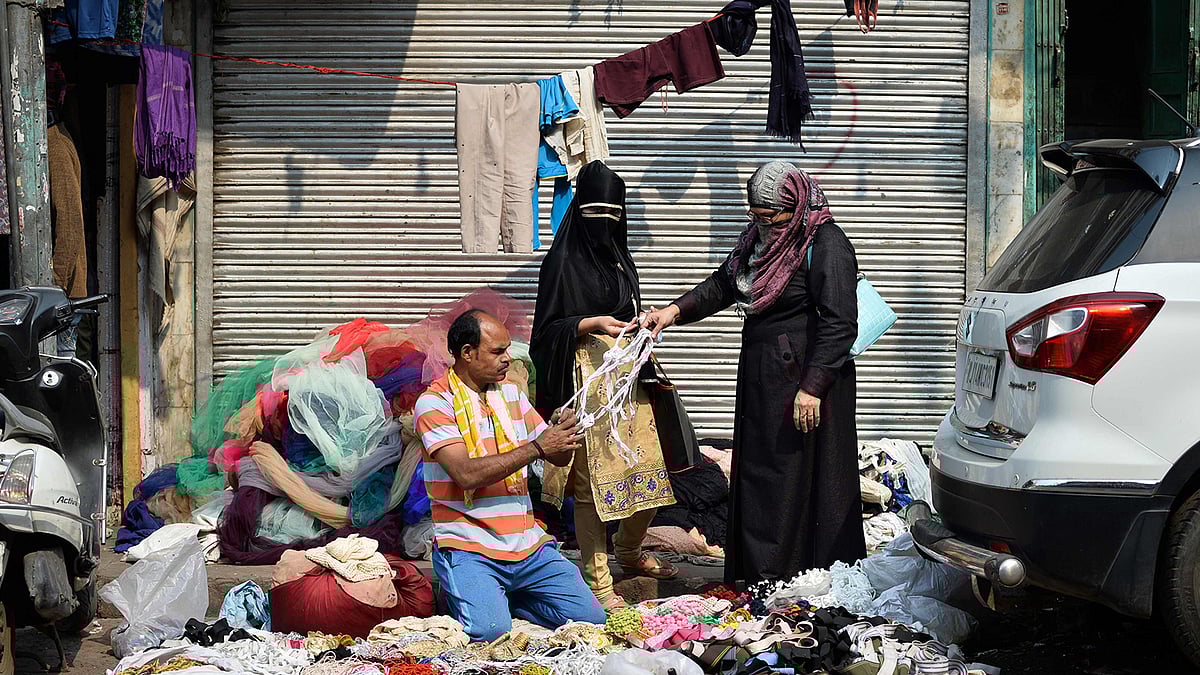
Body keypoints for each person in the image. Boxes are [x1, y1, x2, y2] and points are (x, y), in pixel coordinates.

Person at [641, 161, 866, 586]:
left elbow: (839, 322)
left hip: (807, 387)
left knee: (795, 480)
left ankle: (800, 578)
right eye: (756, 216)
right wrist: (671, 312)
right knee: (763, 477)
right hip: (766, 382)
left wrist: (813, 387)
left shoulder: (827, 243)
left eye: (771, 217)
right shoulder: (756, 242)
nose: (763, 225)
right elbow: (722, 285)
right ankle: (760, 576)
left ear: (795, 208)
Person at [530, 161, 679, 611]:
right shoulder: (561, 261)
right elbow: (544, 332)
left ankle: (630, 552)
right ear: (580, 209)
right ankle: (599, 582)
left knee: (651, 473)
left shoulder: (619, 254)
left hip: (629, 380)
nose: (604, 221)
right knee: (591, 485)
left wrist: (639, 328)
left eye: (613, 212)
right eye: (595, 210)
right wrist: (589, 323)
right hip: (584, 382)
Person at [414, 309, 607, 641]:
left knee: (591, 620)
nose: (508, 359)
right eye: (497, 351)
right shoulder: (434, 403)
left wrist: (564, 432)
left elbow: (557, 457)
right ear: (467, 353)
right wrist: (538, 447)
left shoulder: (512, 395)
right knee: (491, 632)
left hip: (528, 545)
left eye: (507, 350)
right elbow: (465, 475)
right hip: (468, 545)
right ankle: (477, 596)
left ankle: (500, 598)